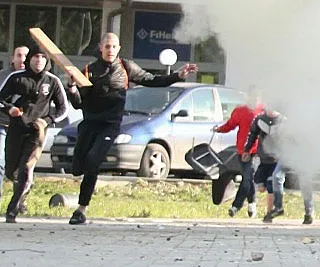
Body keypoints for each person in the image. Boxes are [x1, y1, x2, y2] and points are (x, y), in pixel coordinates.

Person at [65, 32, 197, 224]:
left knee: (93, 161)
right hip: (89, 124)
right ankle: (81, 185)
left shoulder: (126, 67)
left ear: (118, 48)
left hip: (110, 125)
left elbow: (152, 80)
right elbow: (78, 104)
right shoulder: (88, 70)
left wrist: (177, 75)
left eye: (114, 46)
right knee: (77, 168)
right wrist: (71, 87)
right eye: (107, 46)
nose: (110, 50)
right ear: (101, 48)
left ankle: (81, 209)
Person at [0, 44, 67, 222]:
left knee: (26, 167)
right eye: (36, 57)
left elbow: (63, 109)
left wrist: (47, 120)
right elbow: (1, 99)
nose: (39, 60)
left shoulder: (52, 81)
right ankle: (25, 186)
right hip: (16, 128)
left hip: (37, 131)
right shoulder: (17, 78)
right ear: (30, 59)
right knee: (11, 171)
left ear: (47, 61)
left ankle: (12, 210)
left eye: (43, 57)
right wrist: (10, 108)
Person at [214, 88, 264, 218]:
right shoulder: (240, 111)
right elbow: (230, 125)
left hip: (257, 151)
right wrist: (219, 129)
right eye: (251, 97)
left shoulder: (263, 111)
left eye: (256, 98)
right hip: (242, 151)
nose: (254, 100)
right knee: (248, 178)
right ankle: (252, 203)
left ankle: (236, 206)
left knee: (248, 177)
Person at [0, 45, 28, 206]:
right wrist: (9, 108)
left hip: (24, 128)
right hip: (3, 124)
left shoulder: (37, 78)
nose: (23, 59)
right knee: (0, 161)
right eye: (19, 55)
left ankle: (19, 201)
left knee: (22, 167)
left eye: (26, 56)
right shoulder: (3, 76)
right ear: (12, 58)